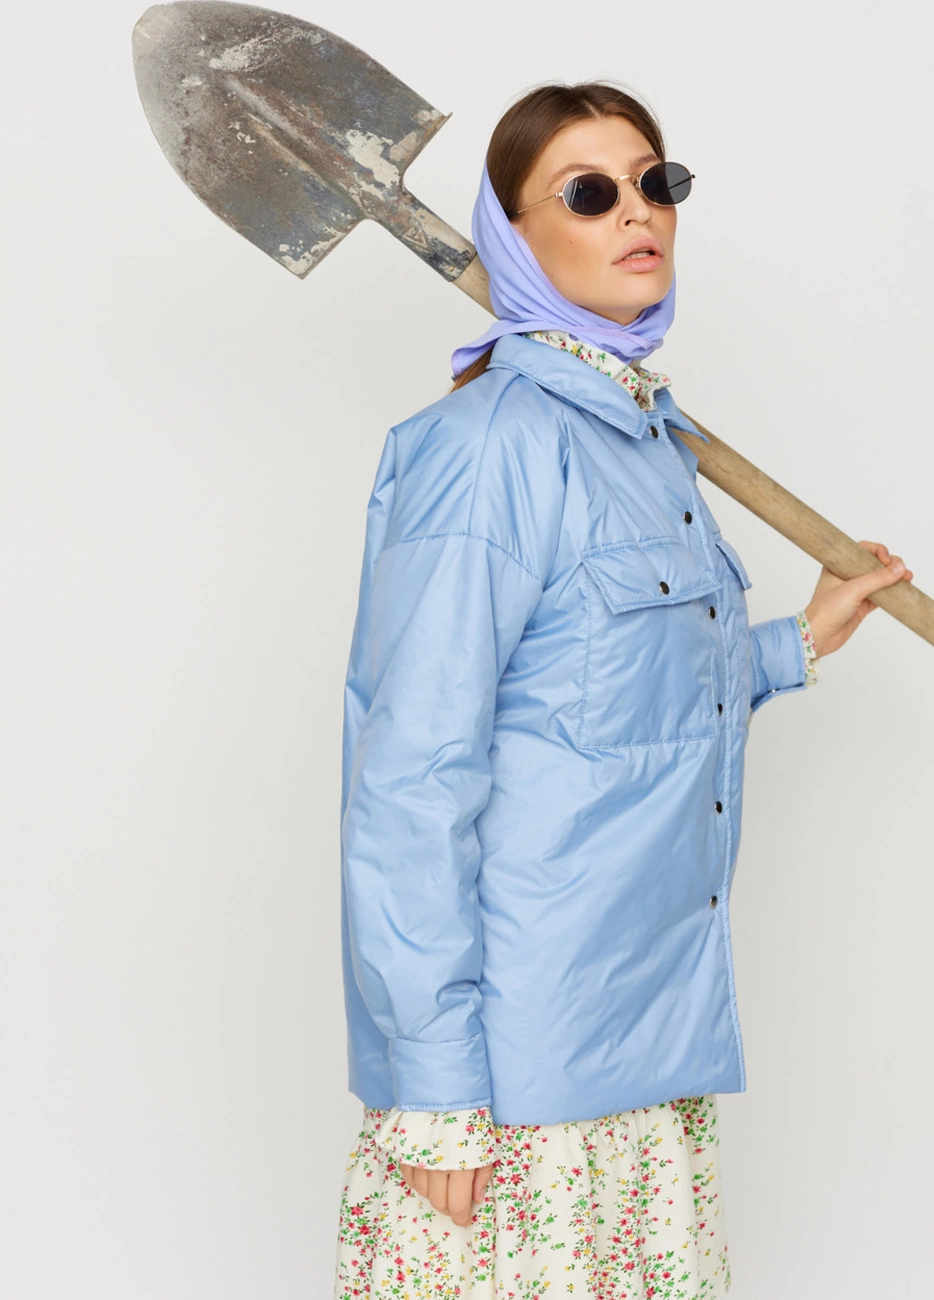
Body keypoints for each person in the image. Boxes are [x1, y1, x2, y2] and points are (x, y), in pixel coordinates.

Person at [332, 81, 912, 1298]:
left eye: (658, 182)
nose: (638, 211)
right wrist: (433, 1083)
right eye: (589, 193)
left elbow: (617, 704)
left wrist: (801, 638)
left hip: (648, 1041)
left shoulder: (650, 439)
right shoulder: (484, 450)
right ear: (512, 237)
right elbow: (412, 777)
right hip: (515, 1079)